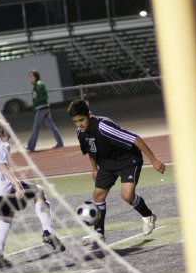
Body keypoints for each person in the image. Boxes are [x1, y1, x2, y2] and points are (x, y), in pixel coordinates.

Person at [67, 97, 166, 247]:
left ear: (89, 114)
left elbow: (135, 139)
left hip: (128, 160)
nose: (79, 124)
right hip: (107, 164)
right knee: (98, 195)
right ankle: (99, 233)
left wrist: (154, 160)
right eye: (75, 121)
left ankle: (148, 216)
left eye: (81, 120)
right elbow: (90, 150)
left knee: (127, 195)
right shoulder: (80, 133)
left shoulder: (103, 126)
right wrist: (94, 169)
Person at [0, 118, 65, 266]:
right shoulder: (2, 145)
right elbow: (1, 164)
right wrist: (17, 185)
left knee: (7, 212)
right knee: (39, 192)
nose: (9, 137)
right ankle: (48, 232)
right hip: (3, 191)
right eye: (7, 134)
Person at [26, 70, 64, 152]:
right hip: (44, 108)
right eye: (29, 76)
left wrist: (37, 100)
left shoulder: (39, 84)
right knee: (51, 126)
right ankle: (60, 143)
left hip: (41, 108)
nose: (30, 78)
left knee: (35, 128)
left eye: (32, 76)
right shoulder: (37, 84)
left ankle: (31, 146)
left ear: (36, 76)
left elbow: (43, 95)